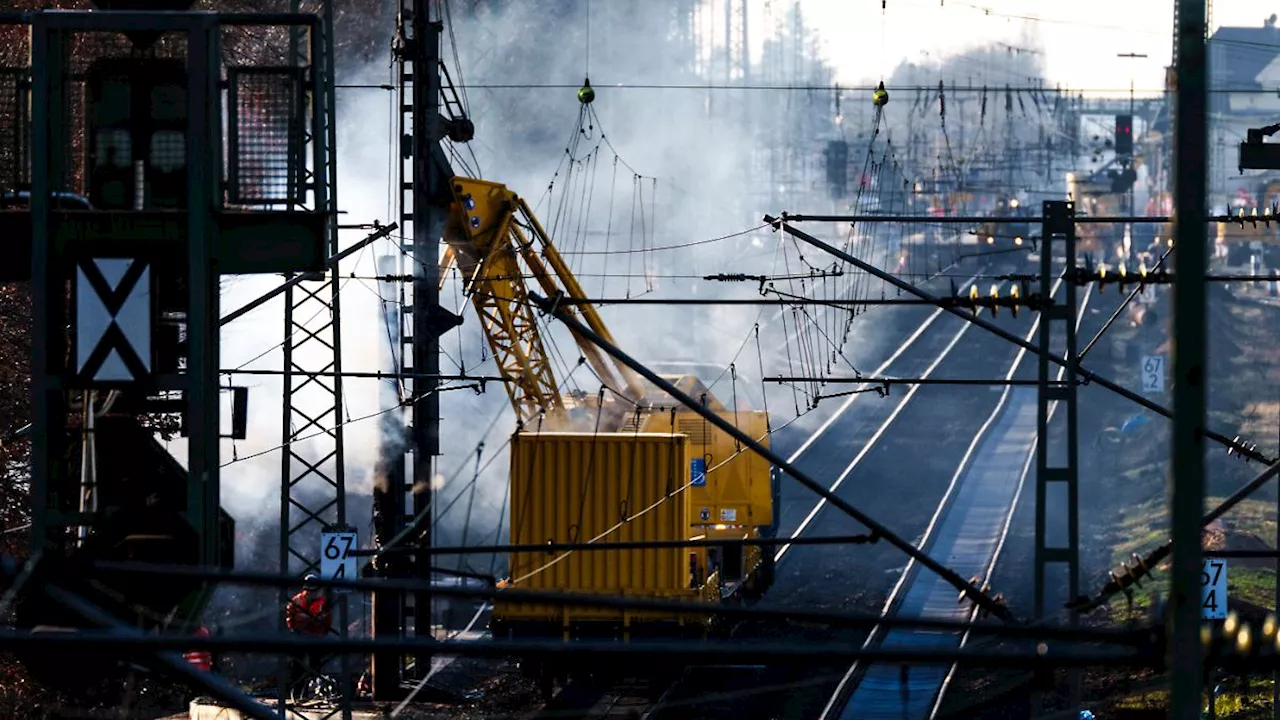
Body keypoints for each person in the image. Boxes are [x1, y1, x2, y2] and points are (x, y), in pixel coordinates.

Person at [285, 574, 332, 696]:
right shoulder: (297, 601)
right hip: (300, 636)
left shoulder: (322, 602)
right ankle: (296, 692)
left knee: (314, 666)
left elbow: (326, 620)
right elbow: (290, 619)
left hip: (315, 637)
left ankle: (310, 692)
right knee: (298, 666)